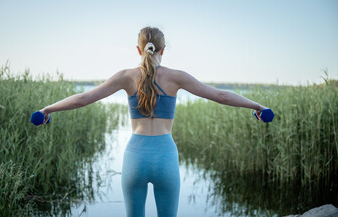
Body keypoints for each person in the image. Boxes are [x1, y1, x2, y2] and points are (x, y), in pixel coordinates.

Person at [38, 26, 268, 217]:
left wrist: (47, 109)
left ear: (138, 49)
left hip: (135, 157)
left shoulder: (125, 76)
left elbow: (83, 98)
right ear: (163, 50)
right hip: (165, 156)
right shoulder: (177, 77)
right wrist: (257, 106)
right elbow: (221, 96)